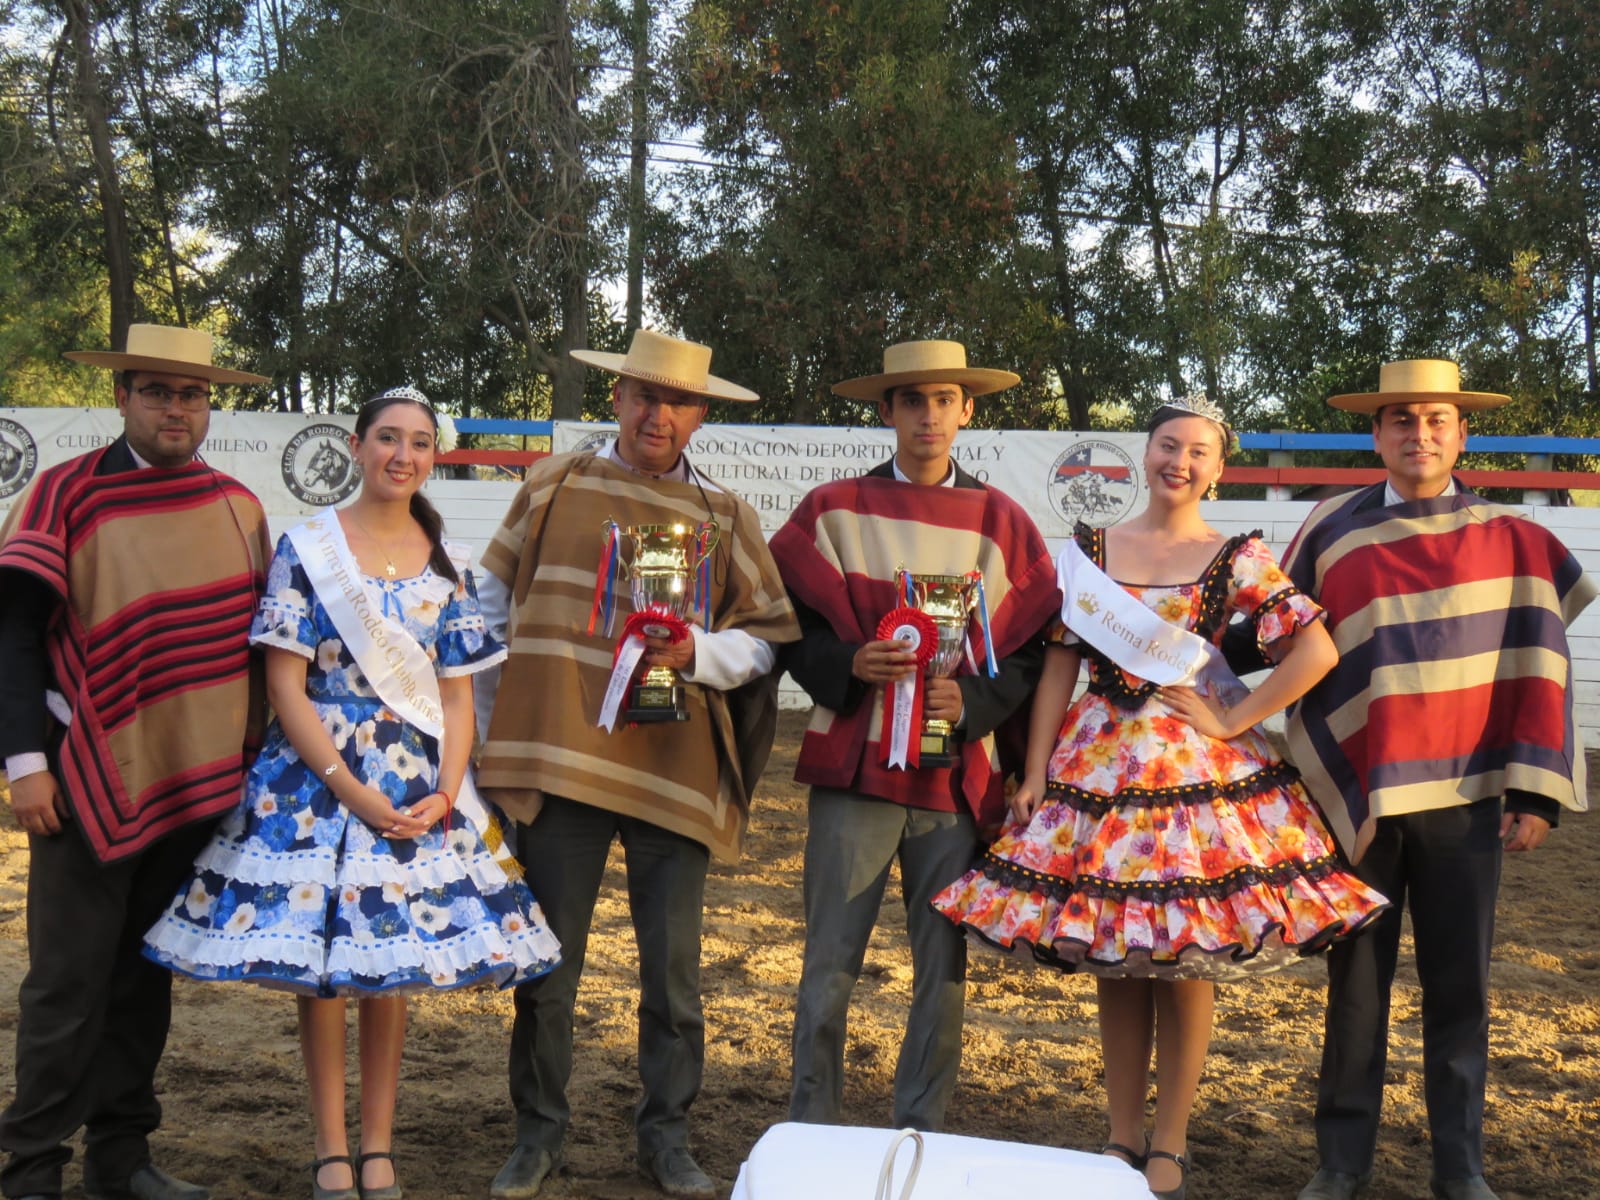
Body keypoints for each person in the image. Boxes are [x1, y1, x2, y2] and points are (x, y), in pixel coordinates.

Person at [932, 395, 1390, 1200]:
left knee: (1184, 957)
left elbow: (1314, 650)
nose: (1180, 461)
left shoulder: (1237, 556)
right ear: (1144, 455)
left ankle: (1170, 1139)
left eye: (1198, 451)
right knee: (1115, 954)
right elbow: (1062, 664)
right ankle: (1120, 1134)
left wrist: (1234, 717)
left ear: (1218, 469)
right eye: (1168, 445)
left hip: (1194, 779)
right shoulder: (1090, 551)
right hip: (1099, 771)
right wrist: (1034, 769)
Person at [141, 386, 561, 1200]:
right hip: (316, 784)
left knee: (390, 965)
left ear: (434, 456)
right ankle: (330, 1147)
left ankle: (378, 1146)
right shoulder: (308, 547)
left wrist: (446, 792)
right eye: (388, 438)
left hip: (417, 787)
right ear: (357, 446)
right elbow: (285, 685)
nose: (403, 455)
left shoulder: (449, 561)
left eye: (420, 443)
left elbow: (458, 697)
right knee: (325, 971)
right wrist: (350, 789)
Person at [472, 330, 800, 1200]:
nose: (660, 414)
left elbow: (767, 641)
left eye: (679, 401)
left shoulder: (726, 516)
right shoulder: (552, 486)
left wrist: (698, 654)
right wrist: (487, 737)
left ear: (700, 415)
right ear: (617, 398)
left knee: (674, 975)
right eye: (644, 395)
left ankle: (667, 1139)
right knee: (548, 968)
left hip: (672, 770)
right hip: (561, 763)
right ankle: (537, 1136)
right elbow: (487, 606)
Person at [1280, 362, 1595, 1200]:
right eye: (1401, 420)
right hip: (1362, 797)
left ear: (1461, 435)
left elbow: (1541, 665)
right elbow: (1274, 635)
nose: (1418, 434)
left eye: (1435, 420)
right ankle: (1340, 1161)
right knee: (1355, 986)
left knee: (1462, 989)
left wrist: (1535, 792)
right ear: (1375, 434)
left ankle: (1461, 1167)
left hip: (1467, 799)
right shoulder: (1331, 530)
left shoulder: (1514, 538)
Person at [0, 324, 273, 1200]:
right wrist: (23, 763)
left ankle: (120, 1161)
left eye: (191, 395)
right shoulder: (66, 494)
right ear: (121, 397)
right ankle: (33, 1170)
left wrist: (245, 761)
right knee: (66, 985)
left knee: (142, 981)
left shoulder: (239, 507)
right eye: (156, 392)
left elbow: (256, 655)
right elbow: (14, 636)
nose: (174, 409)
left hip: (193, 784)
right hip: (80, 781)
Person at [768, 339, 1061, 1133]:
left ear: (966, 410)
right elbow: (785, 627)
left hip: (952, 782)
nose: (927, 416)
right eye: (911, 401)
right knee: (829, 963)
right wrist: (847, 663)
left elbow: (1031, 650)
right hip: (854, 772)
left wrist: (969, 702)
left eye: (942, 400)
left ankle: (922, 1129)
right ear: (886, 411)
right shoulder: (833, 508)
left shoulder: (1003, 521)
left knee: (943, 970)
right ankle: (812, 1129)